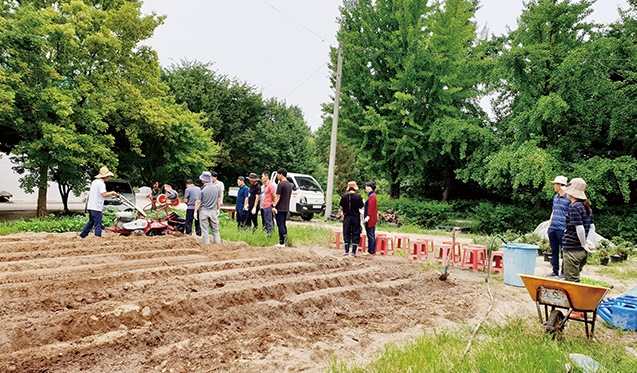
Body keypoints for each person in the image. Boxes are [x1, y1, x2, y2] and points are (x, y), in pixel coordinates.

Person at [561, 178, 595, 283]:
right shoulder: (586, 206)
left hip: (573, 249)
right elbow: (592, 226)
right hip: (582, 252)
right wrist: (589, 242)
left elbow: (579, 227)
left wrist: (584, 243)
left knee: (571, 282)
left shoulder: (574, 207)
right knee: (576, 278)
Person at [80, 167, 119, 238]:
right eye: (108, 176)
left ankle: (82, 236)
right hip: (96, 207)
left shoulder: (94, 182)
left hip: (91, 206)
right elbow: (103, 194)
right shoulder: (101, 184)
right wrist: (112, 193)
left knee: (91, 222)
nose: (109, 177)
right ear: (105, 176)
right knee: (98, 224)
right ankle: (98, 237)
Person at [546, 176, 570, 278]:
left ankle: (563, 273)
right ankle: (554, 271)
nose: (554, 186)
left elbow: (570, 214)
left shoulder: (569, 198)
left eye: (555, 184)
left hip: (562, 228)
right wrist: (549, 226)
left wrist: (568, 227)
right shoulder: (555, 198)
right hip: (553, 228)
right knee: (554, 251)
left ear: (560, 185)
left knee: (564, 251)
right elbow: (553, 211)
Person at [339, 181, 365, 256]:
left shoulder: (344, 196)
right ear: (355, 188)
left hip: (347, 217)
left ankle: (346, 251)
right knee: (355, 233)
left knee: (346, 233)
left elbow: (341, 206)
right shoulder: (358, 197)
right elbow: (361, 207)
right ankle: (353, 252)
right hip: (355, 217)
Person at [199, 171, 221, 244]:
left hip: (203, 211)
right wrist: (218, 209)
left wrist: (196, 211)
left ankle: (207, 245)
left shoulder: (202, 189)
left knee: (205, 230)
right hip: (213, 211)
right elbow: (218, 200)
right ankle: (218, 245)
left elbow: (198, 201)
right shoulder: (217, 188)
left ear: (203, 180)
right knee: (215, 229)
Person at [273, 168, 292, 247]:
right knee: (284, 225)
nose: (277, 176)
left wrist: (274, 205)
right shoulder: (289, 184)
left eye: (278, 174)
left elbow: (278, 196)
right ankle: (286, 241)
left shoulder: (281, 184)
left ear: (281, 174)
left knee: (280, 225)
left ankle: (281, 242)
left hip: (280, 208)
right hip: (286, 207)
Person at [362, 181, 378, 256]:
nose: (366, 189)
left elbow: (371, 208)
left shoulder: (372, 196)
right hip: (371, 218)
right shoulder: (371, 195)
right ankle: (371, 250)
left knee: (370, 234)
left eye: (366, 187)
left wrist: (367, 217)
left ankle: (370, 251)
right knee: (371, 234)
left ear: (370, 187)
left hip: (370, 218)